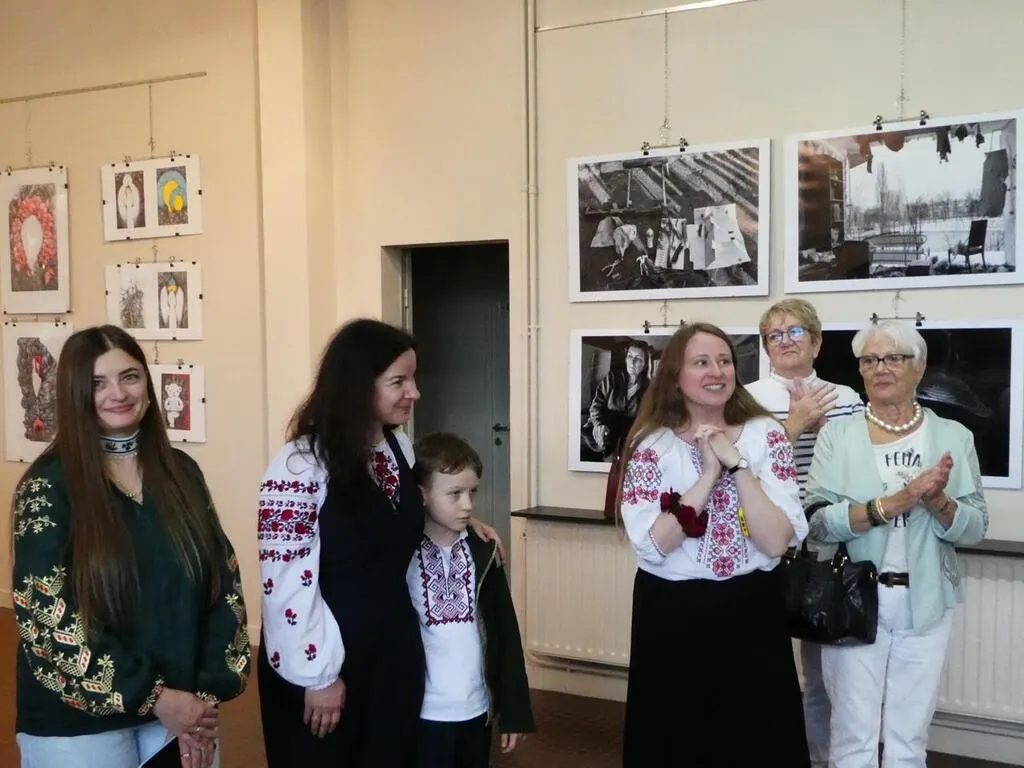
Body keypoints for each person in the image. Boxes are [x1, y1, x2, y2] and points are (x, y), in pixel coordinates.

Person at [257, 318, 504, 767]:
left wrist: (469, 524)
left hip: (392, 650)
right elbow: (285, 583)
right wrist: (319, 675)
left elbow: (411, 515)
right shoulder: (299, 464)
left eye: (413, 378)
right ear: (357, 385)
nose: (414, 392)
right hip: (329, 656)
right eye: (399, 381)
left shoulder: (399, 449)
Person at [11, 325, 250, 768]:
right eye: (97, 383)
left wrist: (202, 699)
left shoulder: (182, 472)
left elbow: (223, 585)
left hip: (184, 711)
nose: (117, 394)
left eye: (130, 377)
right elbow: (45, 617)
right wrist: (154, 697)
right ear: (74, 393)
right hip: (78, 722)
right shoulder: (47, 487)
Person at [615, 322, 811, 767]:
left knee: (758, 738)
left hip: (752, 610)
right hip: (672, 613)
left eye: (724, 361)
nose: (717, 371)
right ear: (675, 376)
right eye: (701, 362)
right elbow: (654, 545)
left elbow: (775, 541)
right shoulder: (651, 444)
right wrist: (707, 476)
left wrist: (736, 466)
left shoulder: (766, 435)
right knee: (675, 739)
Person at [805, 320, 988, 768]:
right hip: (853, 599)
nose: (880, 368)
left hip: (926, 602)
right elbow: (817, 524)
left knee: (909, 739)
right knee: (852, 738)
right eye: (869, 360)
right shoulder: (837, 436)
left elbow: (974, 528)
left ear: (919, 367)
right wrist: (894, 503)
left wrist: (938, 500)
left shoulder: (954, 437)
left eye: (893, 358)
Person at [744, 298, 864, 768]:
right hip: (763, 543)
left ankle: (822, 758)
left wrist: (828, 433)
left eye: (796, 332)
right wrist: (792, 428)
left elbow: (859, 472)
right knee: (762, 661)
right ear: (766, 347)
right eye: (775, 335)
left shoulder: (845, 397)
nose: (786, 341)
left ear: (816, 343)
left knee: (823, 672)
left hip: (825, 547)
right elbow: (741, 473)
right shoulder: (746, 399)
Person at [408, 432, 535, 768]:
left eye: (472, 492)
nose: (467, 504)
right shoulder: (401, 555)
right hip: (421, 713)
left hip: (475, 711)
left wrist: (514, 711)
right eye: (455, 494)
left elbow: (506, 633)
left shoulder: (483, 552)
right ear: (422, 494)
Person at [582, 340, 651, 461]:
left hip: (628, 432)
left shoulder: (649, 387)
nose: (632, 362)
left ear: (645, 364)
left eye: (638, 359)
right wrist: (599, 424)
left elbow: (648, 416)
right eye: (630, 356)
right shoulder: (612, 378)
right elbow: (596, 406)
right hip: (605, 425)